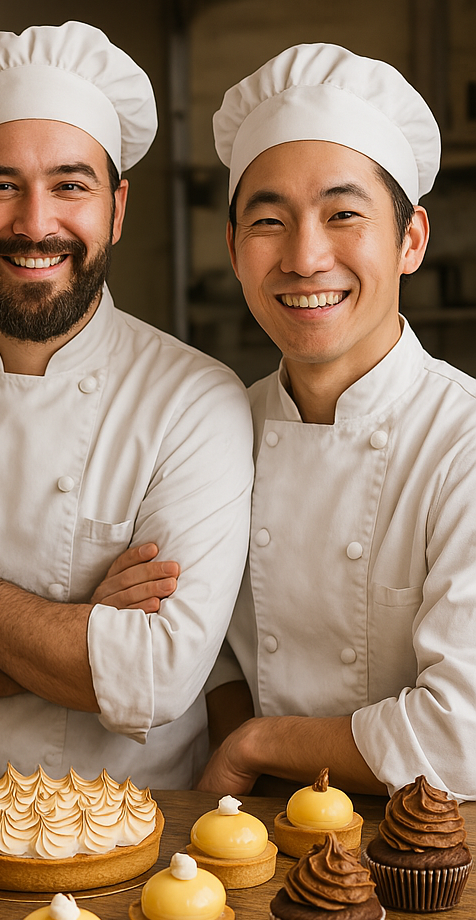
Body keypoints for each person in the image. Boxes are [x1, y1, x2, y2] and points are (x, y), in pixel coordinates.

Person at [0, 22, 254, 786]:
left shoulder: (194, 403)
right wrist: (82, 630)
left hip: (136, 841)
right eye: (1, 185)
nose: (36, 224)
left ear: (117, 209)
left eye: (70, 185)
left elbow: (159, 680)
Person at [199, 43, 476, 801]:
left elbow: (462, 737)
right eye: (269, 221)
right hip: (248, 839)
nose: (305, 256)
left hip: (430, 858)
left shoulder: (464, 442)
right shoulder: (210, 427)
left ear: (411, 239)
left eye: (343, 214)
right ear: (233, 248)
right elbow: (206, 649)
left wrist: (260, 744)